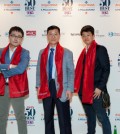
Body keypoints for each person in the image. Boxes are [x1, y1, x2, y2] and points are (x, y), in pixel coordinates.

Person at [36, 25, 74, 134]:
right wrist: (38, 86)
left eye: (55, 34)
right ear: (47, 36)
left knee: (64, 119)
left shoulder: (67, 52)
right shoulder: (42, 52)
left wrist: (69, 89)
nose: (53, 37)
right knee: (48, 118)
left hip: (62, 87)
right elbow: (39, 70)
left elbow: (71, 72)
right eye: (50, 34)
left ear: (59, 36)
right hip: (46, 87)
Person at [74, 25, 112, 134]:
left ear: (93, 36)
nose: (86, 38)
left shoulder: (100, 49)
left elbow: (106, 70)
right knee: (90, 119)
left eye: (88, 35)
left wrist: (100, 87)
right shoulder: (83, 52)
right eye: (84, 36)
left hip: (96, 92)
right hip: (83, 91)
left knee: (102, 118)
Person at [0, 26, 30, 134]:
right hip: (3, 88)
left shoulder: (25, 52)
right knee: (1, 117)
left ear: (22, 39)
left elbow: (21, 69)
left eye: (19, 36)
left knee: (20, 117)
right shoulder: (1, 51)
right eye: (13, 35)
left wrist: (3, 71)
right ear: (9, 36)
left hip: (17, 88)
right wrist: (10, 66)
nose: (16, 39)